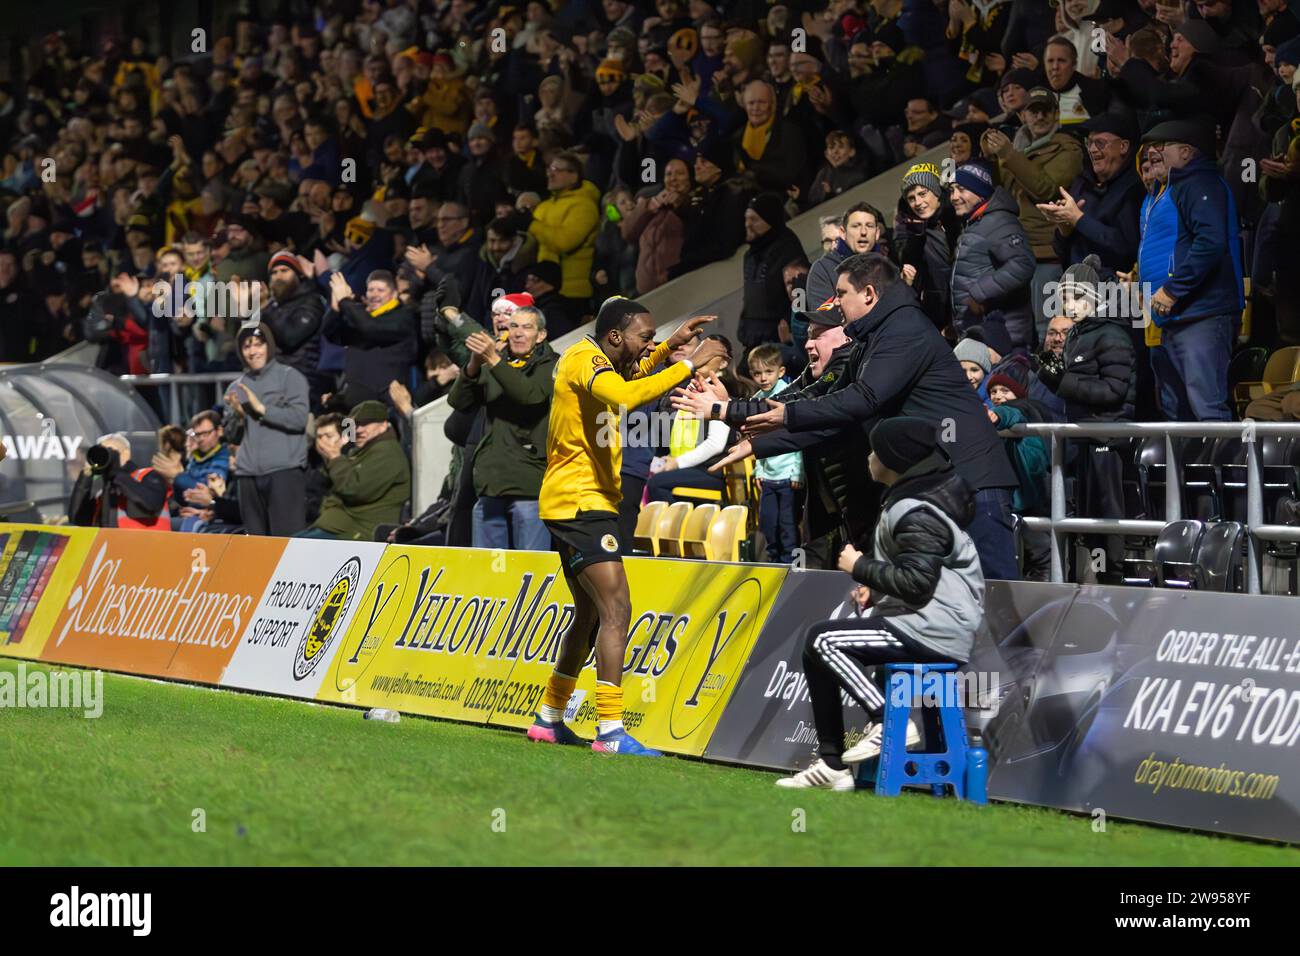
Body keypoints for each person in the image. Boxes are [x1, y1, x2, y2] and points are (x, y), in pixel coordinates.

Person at [528, 300, 727, 756]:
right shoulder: (584, 359)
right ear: (615, 336)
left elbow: (627, 380)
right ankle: (612, 730)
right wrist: (688, 365)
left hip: (574, 500)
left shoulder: (596, 360)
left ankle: (549, 717)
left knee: (591, 613)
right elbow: (625, 396)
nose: (650, 344)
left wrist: (667, 351)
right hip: (582, 503)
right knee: (618, 609)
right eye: (645, 337)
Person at [774, 417, 984, 790]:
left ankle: (890, 720)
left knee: (822, 640)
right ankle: (831, 764)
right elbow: (914, 570)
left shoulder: (917, 511)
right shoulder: (908, 501)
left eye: (875, 450)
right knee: (817, 646)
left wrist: (861, 566)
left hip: (934, 628)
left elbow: (918, 584)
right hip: (922, 621)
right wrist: (873, 585)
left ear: (894, 459)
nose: (868, 457)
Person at [1143, 119, 1245, 422]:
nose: (1152, 152)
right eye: (1149, 147)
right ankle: (1190, 473)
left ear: (1186, 152)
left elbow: (1211, 242)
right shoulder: (1173, 189)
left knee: (1207, 409)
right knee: (1178, 413)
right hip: (1176, 316)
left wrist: (1174, 289)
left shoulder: (1199, 183)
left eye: (1161, 146)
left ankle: (1228, 473)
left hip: (1202, 314)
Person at [446, 304, 556, 550]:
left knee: (531, 570)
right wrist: (474, 364)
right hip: (490, 482)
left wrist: (493, 359)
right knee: (490, 573)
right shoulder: (497, 363)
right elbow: (458, 401)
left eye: (526, 327)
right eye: (513, 326)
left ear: (541, 335)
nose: (517, 333)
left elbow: (530, 396)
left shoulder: (552, 365)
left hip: (529, 485)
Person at [222, 323, 310, 536]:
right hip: (247, 475)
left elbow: (299, 419)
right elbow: (231, 435)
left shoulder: (290, 377)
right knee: (256, 546)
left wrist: (261, 409)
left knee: (286, 543)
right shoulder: (236, 387)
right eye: (247, 347)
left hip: (284, 472)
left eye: (258, 344)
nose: (253, 352)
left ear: (268, 346)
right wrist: (239, 417)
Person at [949, 163, 1037, 348]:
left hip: (1004, 335)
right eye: (952, 191)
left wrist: (978, 293)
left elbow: (1023, 264)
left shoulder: (999, 221)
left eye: (961, 190)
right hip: (984, 330)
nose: (954, 197)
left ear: (980, 191)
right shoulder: (976, 222)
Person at [301, 401, 411, 540]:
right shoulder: (361, 451)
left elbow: (355, 490)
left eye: (366, 424)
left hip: (358, 532)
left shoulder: (387, 452)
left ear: (383, 425)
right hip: (338, 526)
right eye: (355, 425)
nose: (359, 430)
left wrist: (335, 458)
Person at [324, 268, 420, 409]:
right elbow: (330, 334)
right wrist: (335, 310)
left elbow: (372, 329)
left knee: (386, 432)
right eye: (370, 290)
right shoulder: (362, 319)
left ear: (394, 294)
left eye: (380, 290)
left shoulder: (404, 317)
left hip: (386, 409)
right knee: (344, 429)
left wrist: (345, 301)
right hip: (352, 409)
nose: (374, 294)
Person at [746, 344, 802, 563]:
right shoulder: (757, 400)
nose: (762, 378)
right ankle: (773, 566)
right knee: (768, 524)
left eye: (768, 372)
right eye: (757, 373)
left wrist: (797, 473)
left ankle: (791, 567)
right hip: (768, 476)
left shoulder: (788, 395)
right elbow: (757, 439)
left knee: (788, 526)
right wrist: (759, 469)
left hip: (788, 475)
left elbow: (795, 439)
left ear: (781, 371)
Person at [527, 150, 602, 303]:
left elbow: (564, 242)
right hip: (545, 288)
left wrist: (530, 223)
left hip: (572, 293)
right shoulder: (544, 206)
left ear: (574, 177)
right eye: (549, 169)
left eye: (557, 170)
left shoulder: (584, 205)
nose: (550, 174)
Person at [739, 192, 805, 351]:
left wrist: (794, 329)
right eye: (746, 219)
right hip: (752, 339)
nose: (748, 224)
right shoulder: (751, 254)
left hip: (779, 342)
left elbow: (800, 294)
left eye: (754, 219)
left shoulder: (787, 249)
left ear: (770, 221)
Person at [68, 432, 171, 531]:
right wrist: (86, 475)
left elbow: (151, 504)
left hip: (147, 547)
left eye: (110, 451)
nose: (105, 457)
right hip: (112, 547)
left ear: (126, 454)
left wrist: (117, 473)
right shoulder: (103, 489)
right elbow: (78, 518)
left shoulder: (148, 475)